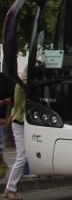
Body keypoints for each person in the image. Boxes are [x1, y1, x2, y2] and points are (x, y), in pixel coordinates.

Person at [5, 70, 25, 200]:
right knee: (22, 157)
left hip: (20, 121)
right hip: (20, 122)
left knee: (24, 156)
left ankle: (10, 189)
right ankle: (10, 189)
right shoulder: (23, 86)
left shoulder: (19, 85)